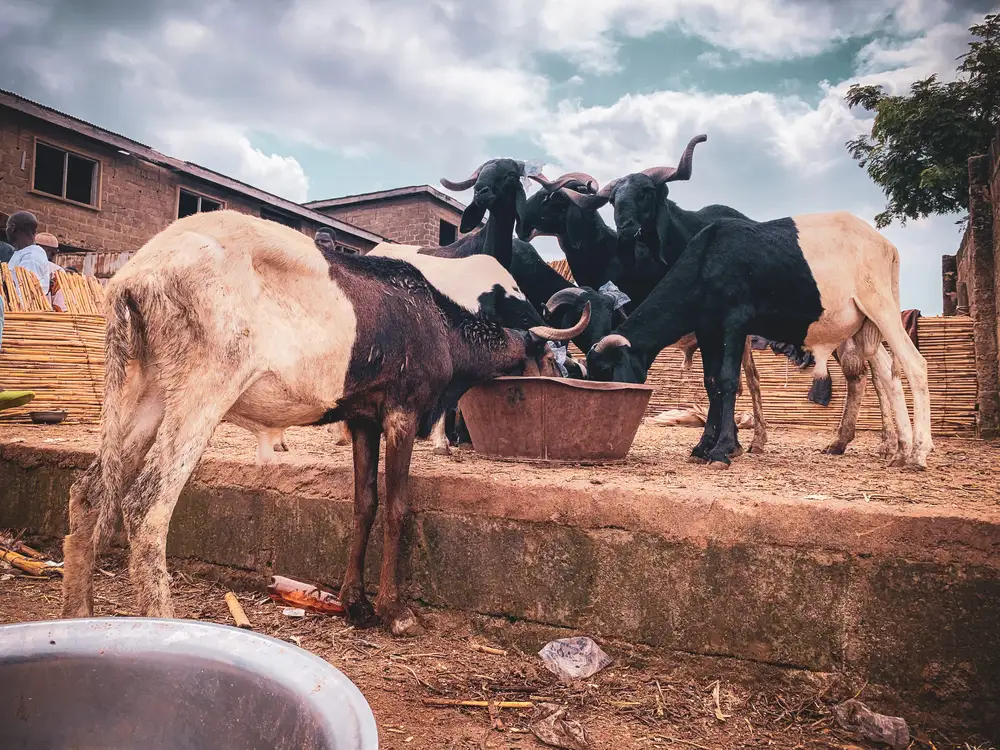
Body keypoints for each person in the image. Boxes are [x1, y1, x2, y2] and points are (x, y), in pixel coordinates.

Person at [6, 211, 51, 296]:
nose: (6, 230)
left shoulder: (32, 256)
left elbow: (24, 293)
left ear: (13, 227)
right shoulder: (23, 252)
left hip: (19, 308)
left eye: (7, 226)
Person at [36, 232, 67, 311]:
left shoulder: (20, 265)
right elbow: (59, 305)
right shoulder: (57, 271)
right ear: (53, 252)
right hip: (45, 317)